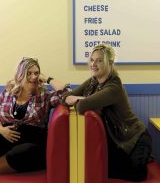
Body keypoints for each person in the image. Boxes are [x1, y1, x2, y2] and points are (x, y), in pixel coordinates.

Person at [0, 57, 70, 183]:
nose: (33, 77)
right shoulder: (8, 92)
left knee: (21, 152)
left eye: (36, 73)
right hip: (6, 145)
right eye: (29, 73)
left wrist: (47, 78)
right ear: (20, 75)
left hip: (33, 147)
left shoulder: (44, 95)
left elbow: (66, 93)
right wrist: (3, 130)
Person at [62, 44, 152, 182]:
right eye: (92, 60)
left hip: (134, 137)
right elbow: (65, 98)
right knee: (102, 168)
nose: (93, 64)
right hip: (117, 140)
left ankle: (144, 156)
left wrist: (82, 100)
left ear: (110, 63)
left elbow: (82, 106)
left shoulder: (114, 87)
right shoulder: (93, 81)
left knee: (138, 175)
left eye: (99, 60)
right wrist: (82, 99)